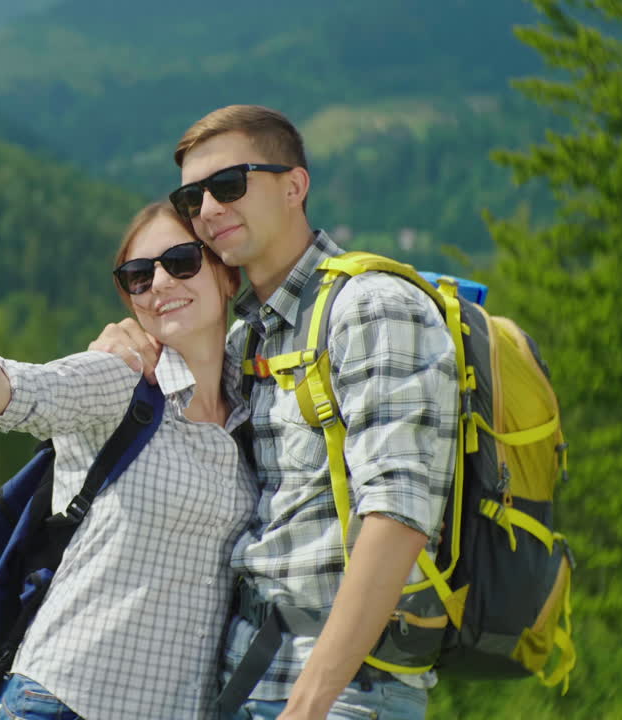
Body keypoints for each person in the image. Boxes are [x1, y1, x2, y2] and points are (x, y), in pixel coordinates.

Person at [91, 105, 458, 720]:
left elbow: (397, 516)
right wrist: (121, 345)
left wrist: (307, 707)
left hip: (342, 693)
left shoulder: (370, 309)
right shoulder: (247, 341)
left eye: (229, 185)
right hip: (241, 675)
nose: (207, 210)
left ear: (294, 186)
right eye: (191, 199)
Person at [0, 203, 258, 720]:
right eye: (138, 276)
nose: (159, 282)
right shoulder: (120, 381)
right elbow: (11, 394)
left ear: (228, 277)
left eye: (181, 261)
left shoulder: (257, 409)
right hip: (66, 700)